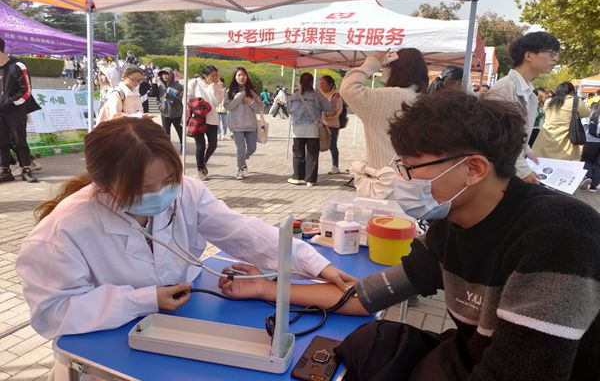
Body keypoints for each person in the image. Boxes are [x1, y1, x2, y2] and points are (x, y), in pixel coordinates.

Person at [219, 91, 600, 381]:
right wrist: (267, 288)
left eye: (411, 168)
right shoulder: (450, 224)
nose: (402, 179)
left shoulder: (559, 237)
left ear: (474, 169)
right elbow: (366, 297)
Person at [16, 117, 353, 378]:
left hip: (178, 327)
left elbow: (242, 232)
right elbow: (53, 313)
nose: (161, 194)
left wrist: (314, 264)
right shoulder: (62, 232)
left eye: (168, 180)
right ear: (103, 185)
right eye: (143, 189)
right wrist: (143, 299)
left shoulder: (187, 193)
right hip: (107, 353)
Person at [488, 31, 560, 183]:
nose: (555, 59)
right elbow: (499, 139)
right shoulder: (505, 88)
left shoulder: (528, 92)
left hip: (511, 168)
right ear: (528, 55)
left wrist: (527, 150)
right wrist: (523, 171)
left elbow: (518, 134)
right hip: (500, 172)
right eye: (551, 53)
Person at [340, 48, 429, 170]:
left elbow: (348, 88)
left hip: (383, 174)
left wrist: (372, 62)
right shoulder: (429, 100)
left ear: (393, 69)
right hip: (420, 174)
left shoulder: (382, 97)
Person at [0, 37, 38, 183]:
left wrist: (10, 102)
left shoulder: (17, 65)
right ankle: (5, 170)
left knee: (19, 140)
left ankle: (26, 170)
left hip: (15, 110)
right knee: (2, 141)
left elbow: (26, 90)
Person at [287, 72, 332, 187]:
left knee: (298, 153)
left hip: (297, 129)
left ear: (300, 82)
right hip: (312, 129)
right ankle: (310, 180)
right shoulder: (317, 96)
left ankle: (297, 177)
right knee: (312, 154)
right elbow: (330, 108)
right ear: (312, 82)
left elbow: (288, 110)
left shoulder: (293, 96)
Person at [532, 82, 590, 160]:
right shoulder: (575, 101)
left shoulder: (549, 101)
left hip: (546, 139)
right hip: (566, 142)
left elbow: (545, 113)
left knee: (544, 164)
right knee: (563, 165)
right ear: (572, 91)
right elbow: (587, 113)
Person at [223, 67, 263, 180]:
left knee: (252, 148)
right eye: (239, 75)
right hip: (236, 125)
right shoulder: (230, 91)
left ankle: (242, 160)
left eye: (244, 75)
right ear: (235, 77)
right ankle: (240, 169)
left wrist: (249, 101)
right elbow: (228, 106)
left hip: (251, 124)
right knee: (240, 148)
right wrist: (239, 97)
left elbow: (259, 107)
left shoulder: (252, 91)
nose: (242, 77)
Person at [189, 65, 222, 181]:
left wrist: (213, 87)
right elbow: (186, 98)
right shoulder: (194, 83)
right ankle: (201, 169)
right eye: (213, 76)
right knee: (201, 146)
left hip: (212, 119)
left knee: (213, 144)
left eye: (217, 75)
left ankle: (203, 162)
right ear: (205, 75)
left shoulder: (217, 86)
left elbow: (216, 103)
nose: (216, 78)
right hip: (198, 119)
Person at [149, 67, 184, 150]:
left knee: (180, 131)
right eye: (163, 74)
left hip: (177, 113)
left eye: (166, 74)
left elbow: (181, 100)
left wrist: (170, 96)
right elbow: (153, 94)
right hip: (164, 113)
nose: (164, 76)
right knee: (166, 133)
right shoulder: (159, 86)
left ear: (171, 75)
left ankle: (182, 145)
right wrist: (154, 84)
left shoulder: (179, 86)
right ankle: (167, 148)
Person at [319, 75, 343, 175]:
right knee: (315, 145)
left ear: (330, 84)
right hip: (320, 125)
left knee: (332, 146)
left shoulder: (335, 95)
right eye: (320, 83)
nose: (321, 85)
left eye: (323, 83)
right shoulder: (319, 95)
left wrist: (324, 114)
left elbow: (337, 111)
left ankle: (335, 166)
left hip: (332, 125)